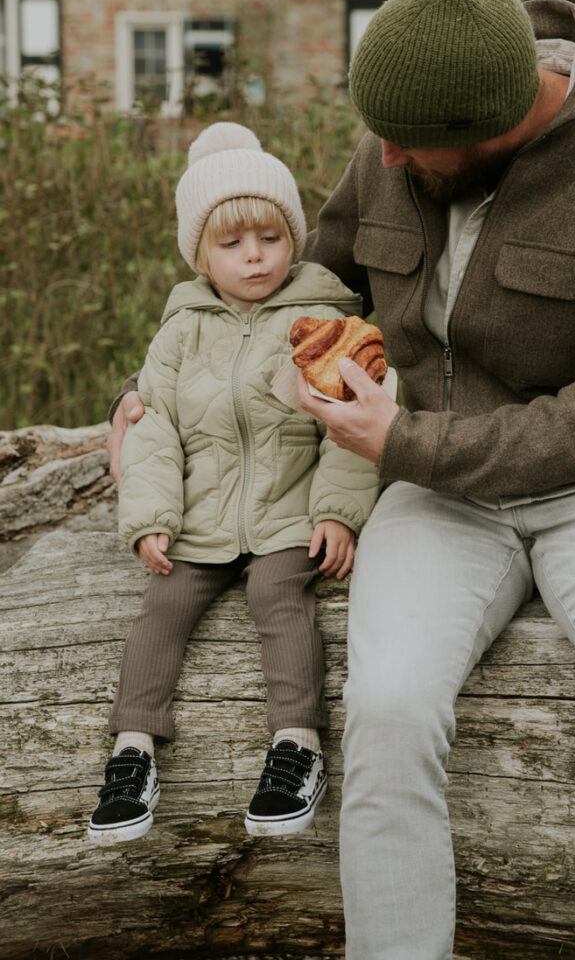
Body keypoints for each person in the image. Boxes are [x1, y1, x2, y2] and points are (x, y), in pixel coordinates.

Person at [109, 0, 575, 959]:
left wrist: (400, 443)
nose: (383, 157)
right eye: (379, 138)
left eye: (404, 144)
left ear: (496, 123)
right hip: (433, 497)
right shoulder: (399, 134)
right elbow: (297, 298)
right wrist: (162, 393)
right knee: (388, 705)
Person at [91, 122, 379, 847]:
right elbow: (155, 430)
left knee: (276, 596)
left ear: (294, 239)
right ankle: (132, 752)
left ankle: (297, 744)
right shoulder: (181, 331)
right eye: (231, 245)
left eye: (270, 239)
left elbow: (349, 423)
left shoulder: (320, 319)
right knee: (161, 610)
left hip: (288, 515)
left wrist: (339, 513)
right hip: (201, 518)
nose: (254, 257)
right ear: (199, 255)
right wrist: (151, 516)